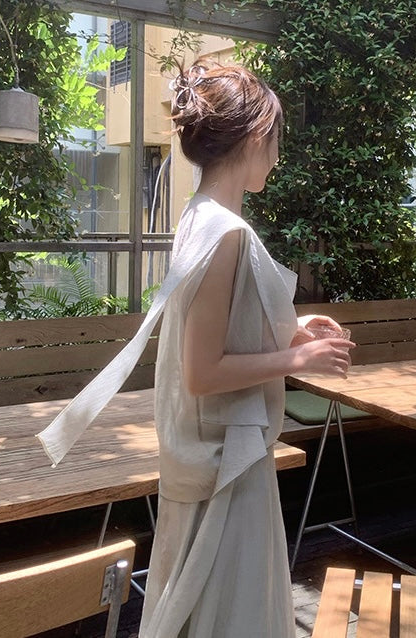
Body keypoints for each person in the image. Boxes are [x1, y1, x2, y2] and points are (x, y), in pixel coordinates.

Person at [138, 59, 355, 638]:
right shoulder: (225, 232)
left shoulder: (200, 216)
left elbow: (216, 327)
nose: (277, 158)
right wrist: (297, 359)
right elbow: (202, 371)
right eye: (275, 140)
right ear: (256, 136)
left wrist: (292, 327)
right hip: (226, 463)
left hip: (223, 450)